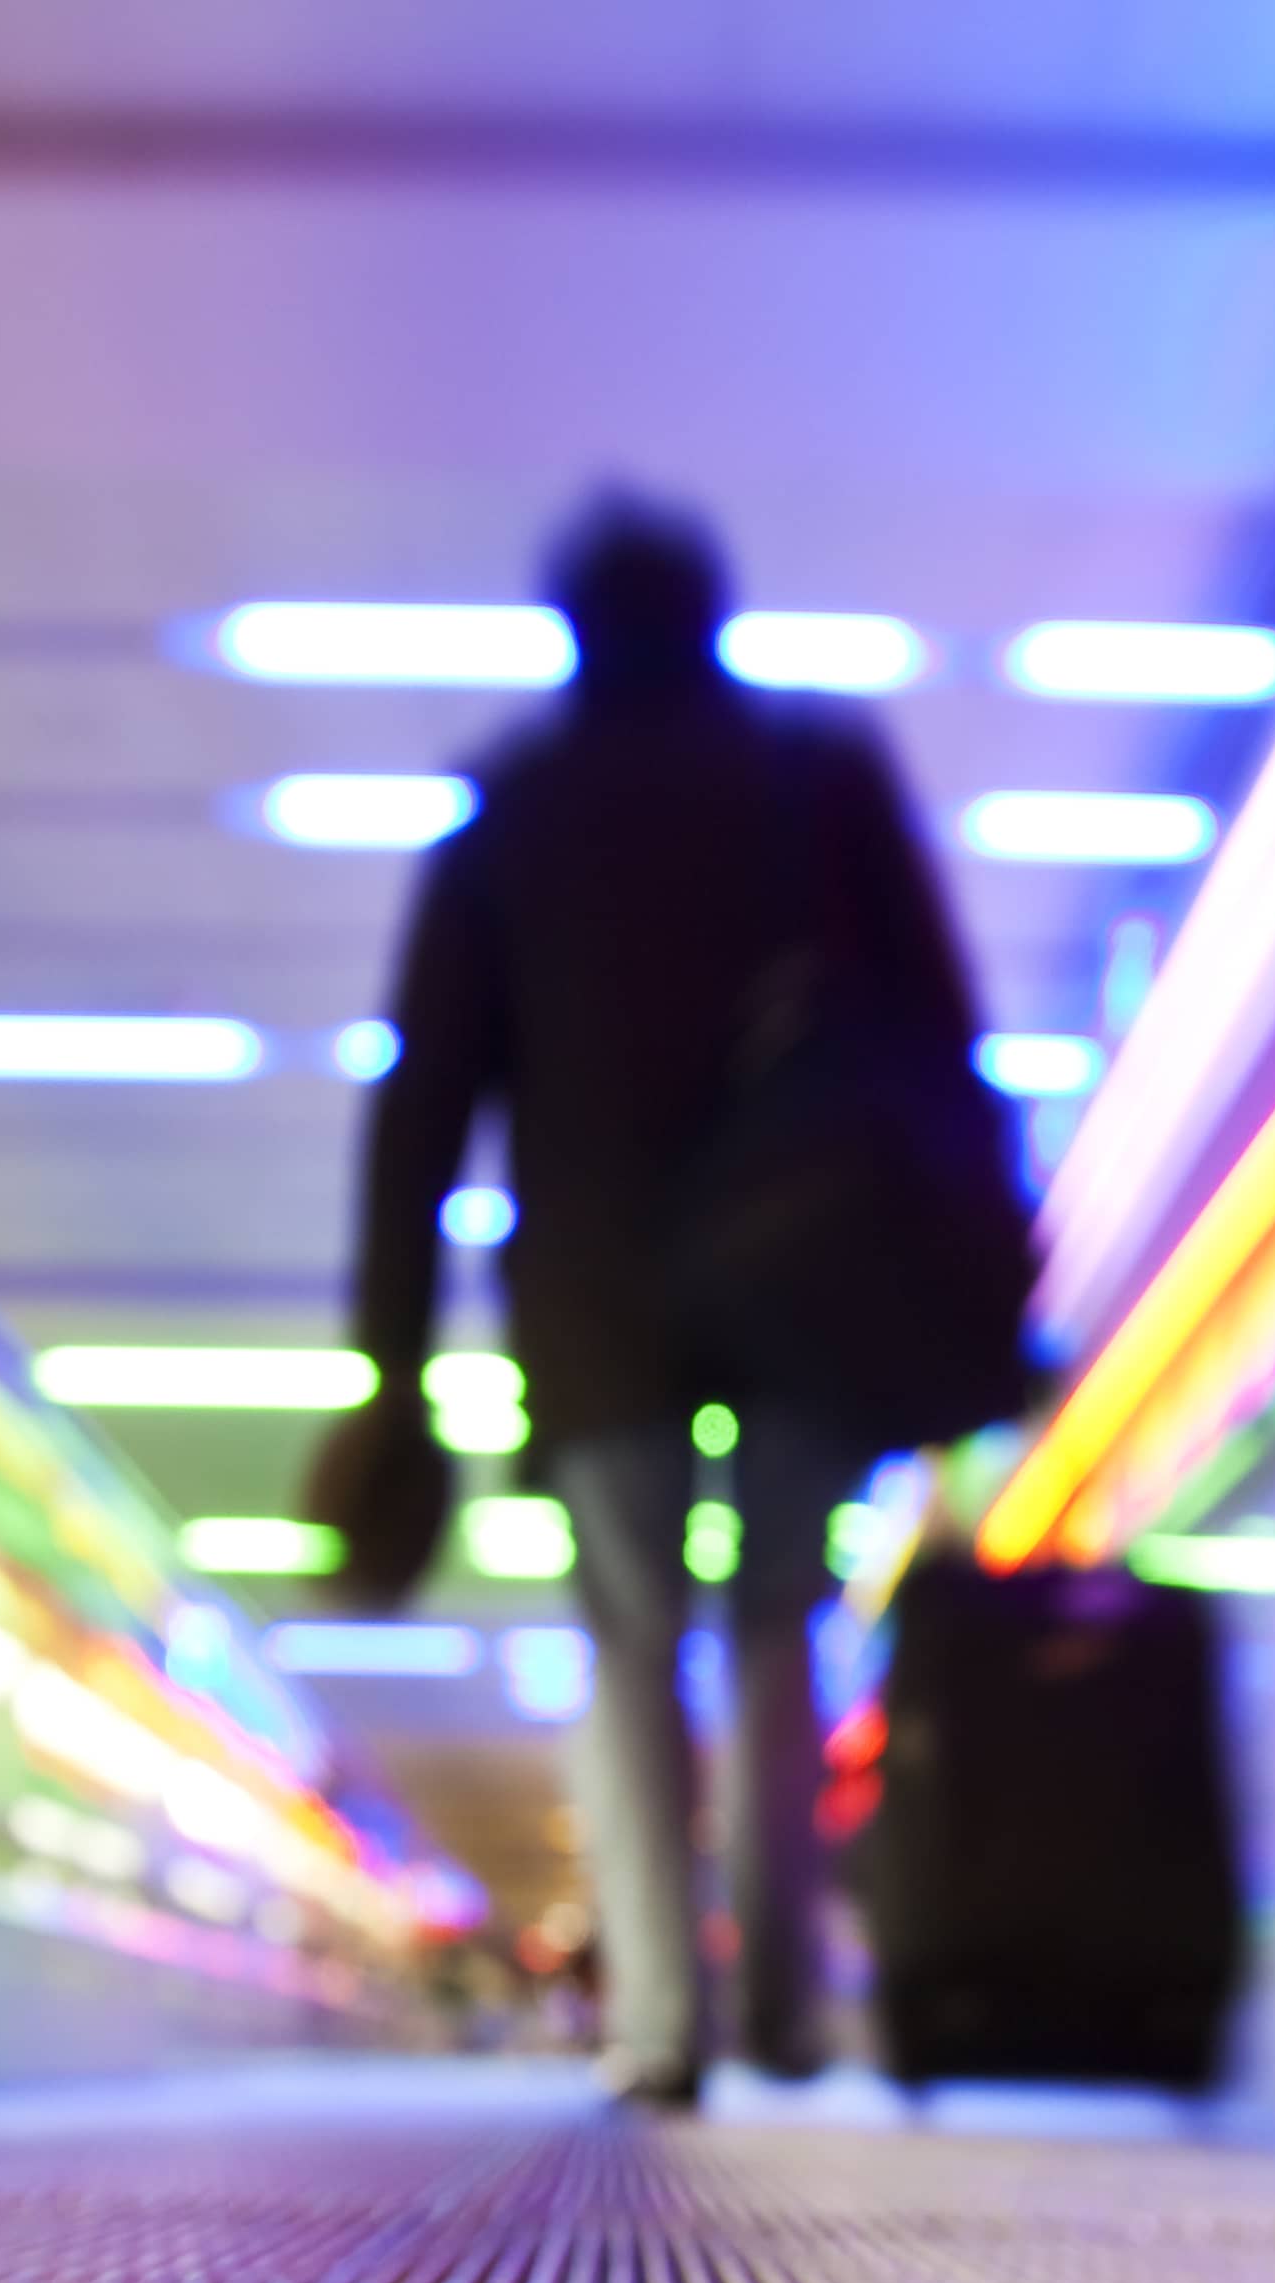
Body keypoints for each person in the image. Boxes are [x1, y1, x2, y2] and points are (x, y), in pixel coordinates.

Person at [345, 494, 992, 2111]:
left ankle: (660, 2023)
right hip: (812, 1277)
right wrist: (982, 1276)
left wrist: (394, 1362)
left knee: (630, 1644)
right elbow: (940, 1039)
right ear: (719, 617)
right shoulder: (821, 781)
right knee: (780, 1626)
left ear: (572, 635)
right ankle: (782, 2003)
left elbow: (422, 1102)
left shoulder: (516, 806)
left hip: (598, 1301)